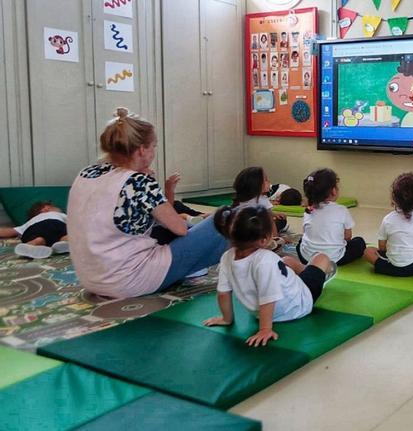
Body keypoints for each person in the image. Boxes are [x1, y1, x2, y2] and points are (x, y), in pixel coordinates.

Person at [67, 108, 229, 298]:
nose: (154, 152)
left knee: (161, 228)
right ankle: (250, 259)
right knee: (225, 218)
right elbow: (180, 229)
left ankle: (199, 264)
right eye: (153, 146)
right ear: (142, 149)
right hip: (129, 280)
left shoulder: (86, 174)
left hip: (91, 278)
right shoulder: (139, 182)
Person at [204, 205, 335, 347]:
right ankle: (318, 275)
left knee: (286, 262)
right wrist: (265, 329)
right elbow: (268, 298)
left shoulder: (226, 257)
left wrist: (226, 318)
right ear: (264, 239)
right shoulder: (266, 260)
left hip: (264, 311)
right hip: (300, 303)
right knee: (321, 258)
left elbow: (223, 293)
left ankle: (305, 272)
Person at [364, 173, 413, 277]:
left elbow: (382, 246)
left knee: (368, 251)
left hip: (393, 268)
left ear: (393, 198)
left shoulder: (388, 219)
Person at [296, 168, 366, 266]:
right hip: (334, 259)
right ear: (333, 191)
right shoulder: (341, 210)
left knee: (301, 241)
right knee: (359, 242)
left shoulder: (309, 210)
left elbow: (306, 233)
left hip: (306, 258)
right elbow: (348, 236)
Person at [0, 201, 69, 259]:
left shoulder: (29, 222)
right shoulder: (60, 214)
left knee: (38, 239)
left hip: (34, 228)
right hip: (56, 224)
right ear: (46, 207)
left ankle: (31, 246)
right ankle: (64, 243)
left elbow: (9, 231)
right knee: (65, 235)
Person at [233, 167, 290, 234]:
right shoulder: (263, 200)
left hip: (241, 229)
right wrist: (275, 238)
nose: (269, 181)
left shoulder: (242, 199)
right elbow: (270, 221)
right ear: (256, 184)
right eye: (266, 180)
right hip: (257, 231)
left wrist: (274, 214)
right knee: (281, 221)